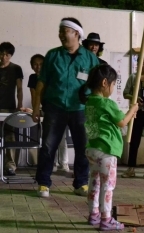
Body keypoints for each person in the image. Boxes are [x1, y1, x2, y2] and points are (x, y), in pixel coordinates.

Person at [32, 17, 100, 198]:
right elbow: (41, 84)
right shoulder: (53, 55)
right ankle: (44, 183)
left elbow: (97, 87)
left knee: (83, 147)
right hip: (55, 107)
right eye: (60, 31)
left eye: (65, 31)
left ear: (76, 33)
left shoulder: (90, 58)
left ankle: (81, 183)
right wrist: (36, 108)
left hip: (80, 109)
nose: (61, 35)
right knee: (48, 146)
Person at [79, 64, 138, 231]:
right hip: (106, 151)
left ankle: (94, 214)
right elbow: (122, 122)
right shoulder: (107, 103)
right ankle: (106, 219)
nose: (113, 88)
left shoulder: (90, 102)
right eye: (113, 85)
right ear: (105, 83)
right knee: (108, 186)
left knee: (94, 182)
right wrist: (133, 109)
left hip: (92, 149)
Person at [27, 54, 70, 173]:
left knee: (61, 137)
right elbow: (34, 95)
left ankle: (64, 163)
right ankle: (53, 163)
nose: (38, 66)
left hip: (58, 109)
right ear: (32, 66)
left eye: (41, 64)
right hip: (43, 109)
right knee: (49, 138)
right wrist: (36, 109)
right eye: (35, 64)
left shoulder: (51, 75)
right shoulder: (32, 78)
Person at [0, 42, 23, 176]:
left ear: (11, 55)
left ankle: (10, 166)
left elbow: (19, 89)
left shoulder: (16, 69)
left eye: (7, 55)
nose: (4, 57)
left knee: (9, 137)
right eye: (2, 54)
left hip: (9, 108)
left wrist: (19, 106)